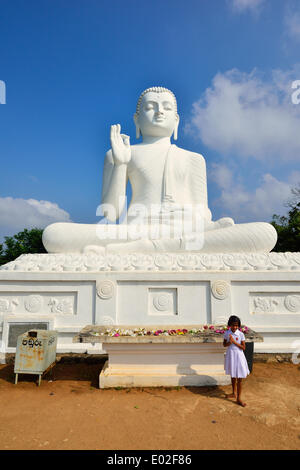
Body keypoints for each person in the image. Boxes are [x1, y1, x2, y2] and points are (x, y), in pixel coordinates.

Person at [42, 86, 277, 254]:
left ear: (176, 121)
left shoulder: (194, 159)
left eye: (166, 108)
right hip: (135, 229)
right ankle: (152, 245)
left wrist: (191, 221)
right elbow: (111, 214)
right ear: (136, 120)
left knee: (266, 233)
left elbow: (204, 214)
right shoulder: (119, 154)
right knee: (54, 235)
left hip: (185, 227)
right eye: (150, 107)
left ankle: (142, 249)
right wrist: (121, 164)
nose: (159, 112)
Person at [223, 315, 250, 407]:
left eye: (236, 325)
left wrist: (234, 342)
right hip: (231, 355)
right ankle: (233, 393)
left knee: (240, 377)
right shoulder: (227, 333)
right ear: (229, 325)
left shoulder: (241, 334)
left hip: (239, 356)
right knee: (233, 374)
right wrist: (229, 342)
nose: (235, 327)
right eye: (233, 325)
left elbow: (243, 347)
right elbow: (224, 344)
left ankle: (239, 398)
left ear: (239, 326)